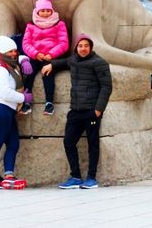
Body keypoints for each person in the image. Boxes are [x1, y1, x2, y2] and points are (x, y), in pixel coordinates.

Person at [41, 34, 112, 190]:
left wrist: (99, 109)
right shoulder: (73, 60)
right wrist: (51, 64)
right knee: (68, 142)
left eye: (86, 45)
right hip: (75, 110)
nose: (83, 48)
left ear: (91, 47)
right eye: (80, 46)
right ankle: (76, 177)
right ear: (76, 48)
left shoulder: (99, 63)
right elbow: (63, 62)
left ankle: (91, 178)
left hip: (92, 111)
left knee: (92, 144)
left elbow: (107, 87)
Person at [0, 35, 33, 190]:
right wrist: (23, 97)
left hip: (8, 110)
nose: (14, 54)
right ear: (3, 52)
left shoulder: (9, 64)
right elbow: (5, 92)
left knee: (13, 144)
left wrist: (24, 60)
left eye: (15, 51)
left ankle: (9, 175)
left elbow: (19, 57)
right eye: (10, 51)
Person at [21, 0, 69, 116]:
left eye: (48, 10)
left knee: (48, 73)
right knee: (28, 72)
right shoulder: (30, 26)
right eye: (43, 11)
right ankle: (26, 102)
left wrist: (51, 54)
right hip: (35, 56)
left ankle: (49, 103)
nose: (46, 13)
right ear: (37, 12)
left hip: (50, 56)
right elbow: (26, 43)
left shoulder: (59, 24)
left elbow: (64, 43)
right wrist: (35, 54)